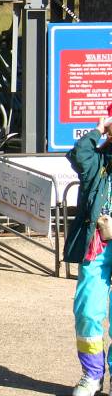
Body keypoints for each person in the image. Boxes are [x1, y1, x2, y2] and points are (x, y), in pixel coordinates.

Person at [66, 114, 112, 396]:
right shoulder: (99, 160)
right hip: (98, 245)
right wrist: (97, 130)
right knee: (87, 310)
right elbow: (79, 155)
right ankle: (92, 376)